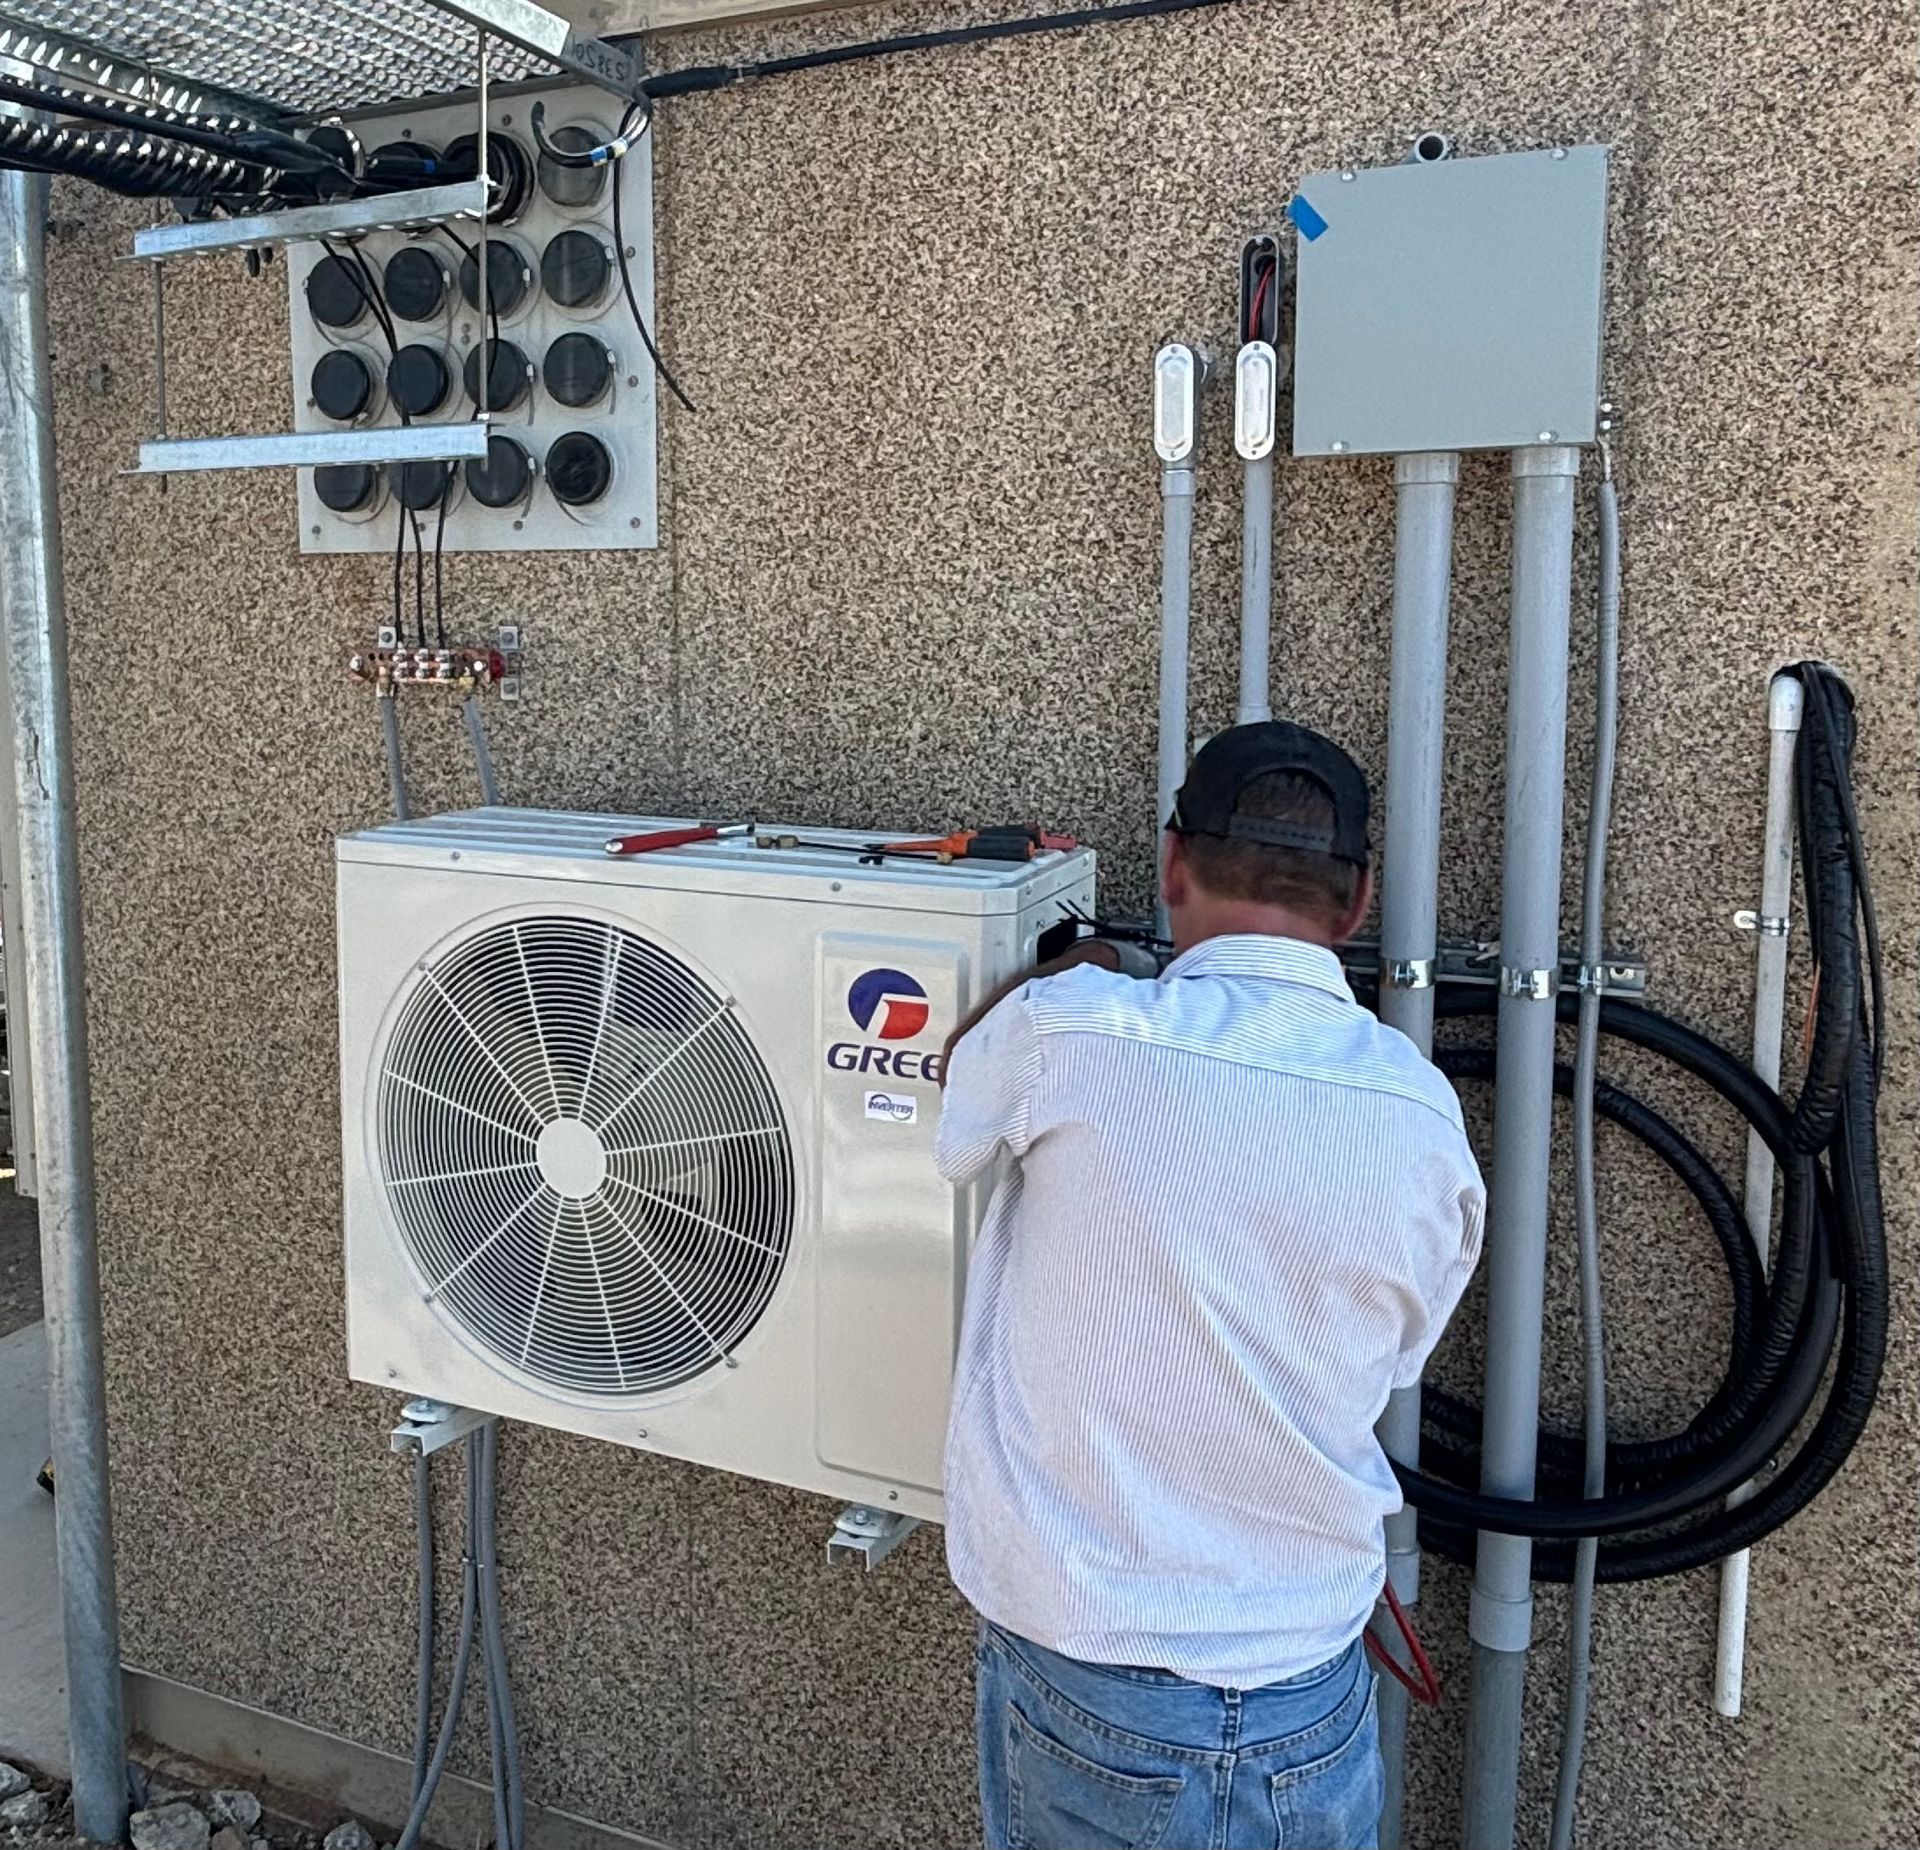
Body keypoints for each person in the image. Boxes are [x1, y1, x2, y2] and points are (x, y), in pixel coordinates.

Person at [934, 720, 1486, 1850]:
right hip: (1309, 1691)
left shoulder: (1070, 1031)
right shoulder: (1426, 1119)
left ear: (1174, 866)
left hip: (1092, 1672)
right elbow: (1391, 1361)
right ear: (1359, 899)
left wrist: (1071, 965)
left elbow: (957, 1099)